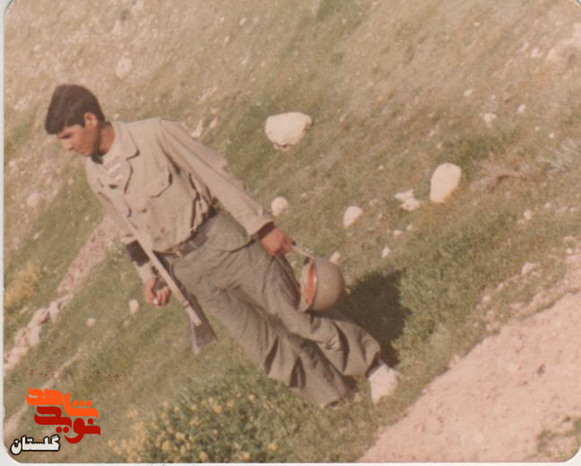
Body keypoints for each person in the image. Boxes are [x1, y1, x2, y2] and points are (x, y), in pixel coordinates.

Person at [44, 84, 400, 407]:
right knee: (265, 344)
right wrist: (150, 275)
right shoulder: (95, 174)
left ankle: (373, 369)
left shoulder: (155, 134)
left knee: (296, 314)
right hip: (190, 271)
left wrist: (263, 227)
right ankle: (335, 399)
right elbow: (129, 232)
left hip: (225, 245)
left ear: (90, 119)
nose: (67, 147)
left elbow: (217, 175)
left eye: (68, 136)